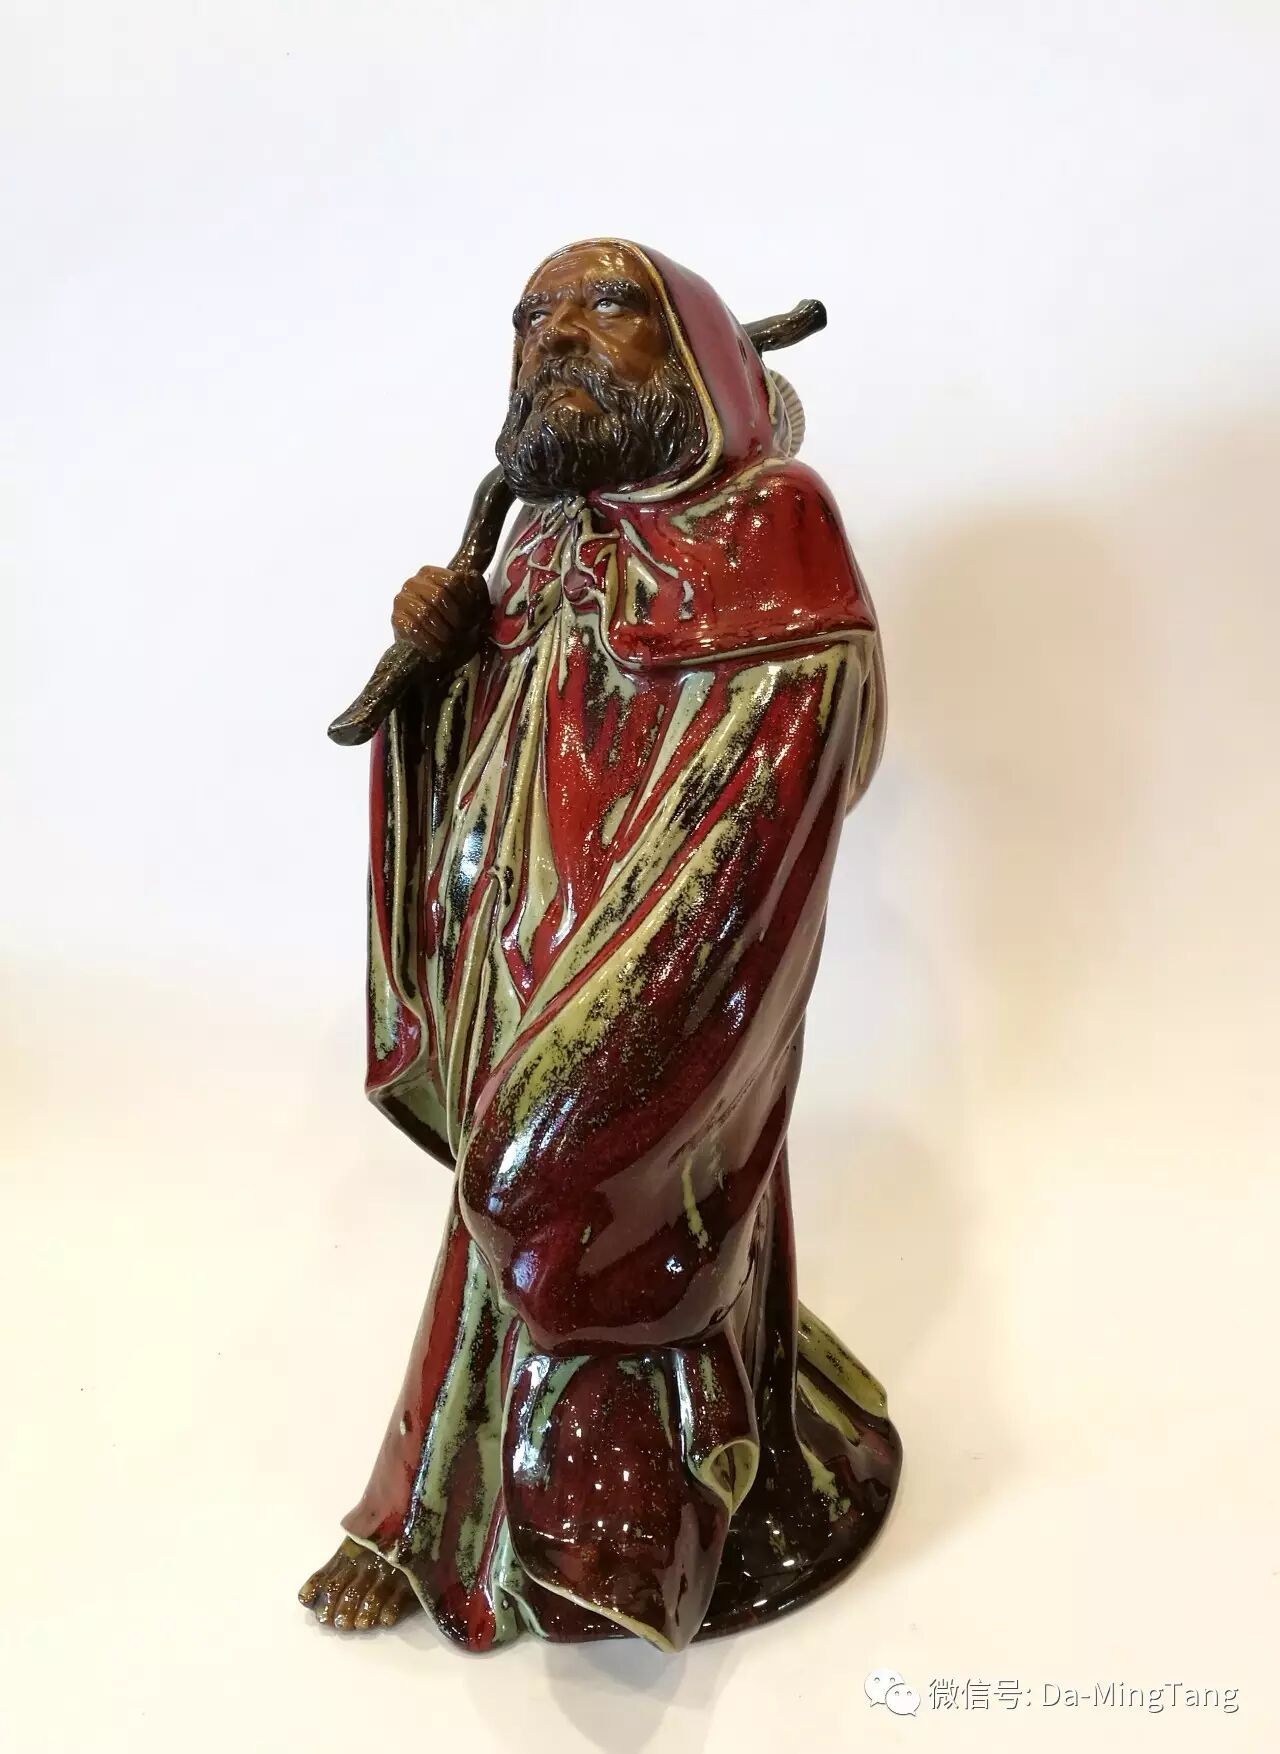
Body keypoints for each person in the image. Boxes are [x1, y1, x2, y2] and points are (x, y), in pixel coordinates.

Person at [299, 240, 900, 1652]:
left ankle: (637, 1544)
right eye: (533, 316)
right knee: (497, 1231)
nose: (558, 332)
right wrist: (444, 661)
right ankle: (443, 1518)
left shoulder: (774, 523)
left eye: (607, 304)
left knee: (604, 1198)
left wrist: (646, 991)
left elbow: (795, 755)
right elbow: (499, 754)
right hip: (514, 952)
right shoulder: (541, 540)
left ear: (699, 351)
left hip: (667, 953)